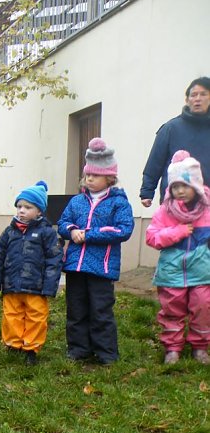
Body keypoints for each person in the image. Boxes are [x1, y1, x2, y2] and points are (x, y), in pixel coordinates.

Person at [58, 138, 134, 364]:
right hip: (75, 266)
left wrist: (88, 234)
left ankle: (106, 352)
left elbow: (123, 229)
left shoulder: (118, 202)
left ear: (109, 177)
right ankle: (78, 349)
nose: (89, 179)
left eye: (95, 175)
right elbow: (63, 222)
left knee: (101, 311)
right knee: (76, 310)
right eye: (87, 175)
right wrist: (71, 231)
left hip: (101, 267)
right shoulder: (76, 201)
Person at [145, 151, 210, 365]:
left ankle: (200, 347)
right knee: (172, 309)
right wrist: (177, 232)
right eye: (175, 186)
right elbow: (152, 237)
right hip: (172, 271)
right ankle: (172, 348)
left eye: (185, 185)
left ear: (197, 185)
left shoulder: (207, 210)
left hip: (201, 270)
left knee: (203, 306)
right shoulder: (165, 211)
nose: (180, 191)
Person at [0, 181, 62, 365]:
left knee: (36, 316)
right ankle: (13, 344)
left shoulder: (47, 232)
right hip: (11, 284)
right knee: (11, 315)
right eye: (19, 206)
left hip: (36, 286)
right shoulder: (9, 232)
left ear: (39, 211)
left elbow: (54, 259)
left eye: (27, 207)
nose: (21, 210)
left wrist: (50, 286)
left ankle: (31, 348)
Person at [140, 77, 210, 207]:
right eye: (194, 95)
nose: (198, 99)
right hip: (174, 203)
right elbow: (155, 162)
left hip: (206, 204)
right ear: (187, 100)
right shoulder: (170, 128)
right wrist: (147, 191)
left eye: (203, 94)